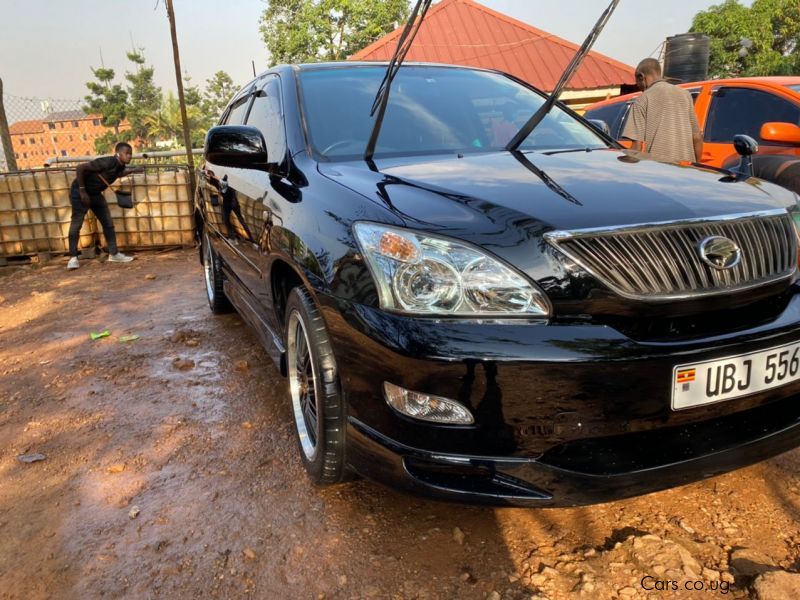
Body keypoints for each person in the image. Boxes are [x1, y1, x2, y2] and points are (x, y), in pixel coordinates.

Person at [66, 142, 139, 270]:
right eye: (126, 153)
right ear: (118, 153)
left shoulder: (120, 166)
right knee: (77, 223)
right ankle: (73, 258)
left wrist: (132, 170)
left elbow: (115, 174)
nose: (129, 156)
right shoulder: (108, 162)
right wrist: (82, 191)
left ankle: (114, 254)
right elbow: (80, 168)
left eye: (130, 154)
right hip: (80, 191)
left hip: (95, 194)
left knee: (108, 223)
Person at [621, 58, 703, 164]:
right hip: (686, 170)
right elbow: (697, 138)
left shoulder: (642, 100)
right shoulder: (685, 95)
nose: (638, 86)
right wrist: (697, 166)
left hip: (658, 170)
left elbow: (637, 146)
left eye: (637, 82)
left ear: (641, 76)